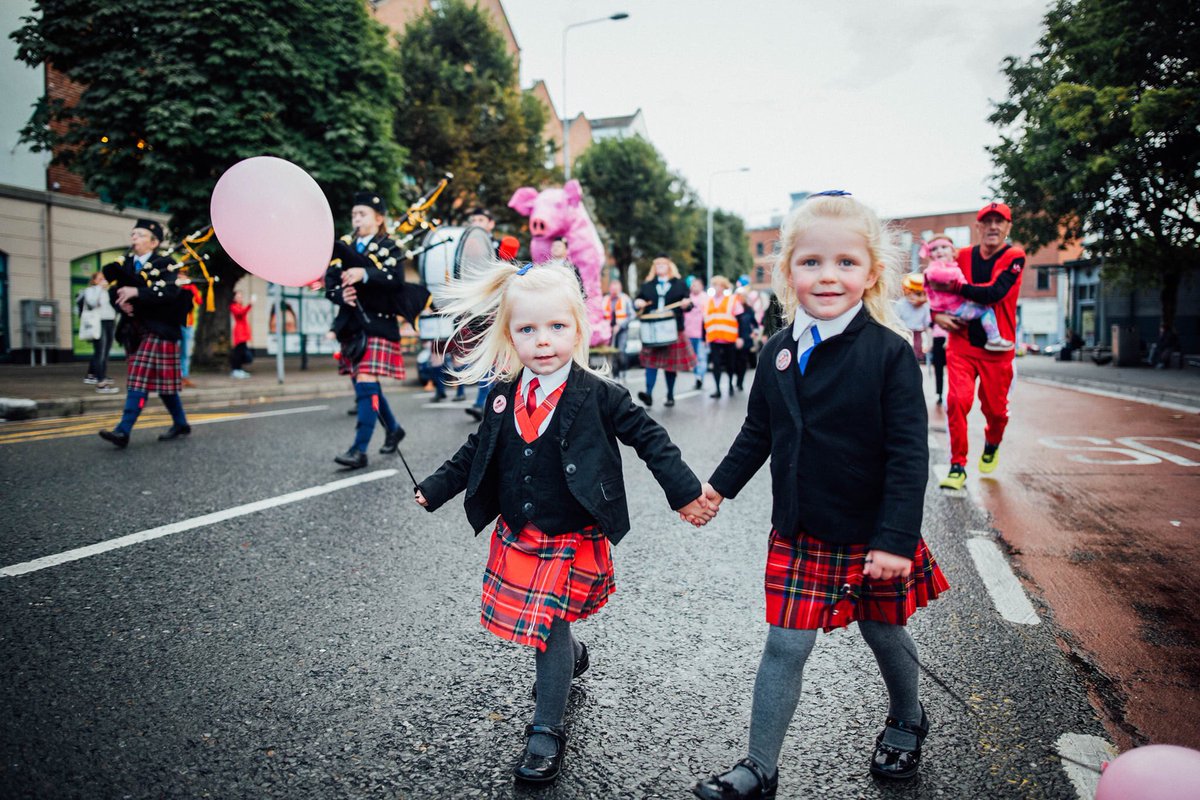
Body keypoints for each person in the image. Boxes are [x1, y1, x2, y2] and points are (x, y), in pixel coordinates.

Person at [413, 258, 714, 784]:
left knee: (548, 626)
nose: (543, 340)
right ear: (509, 335)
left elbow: (652, 441)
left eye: (557, 327)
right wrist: (435, 487)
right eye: (527, 329)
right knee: (552, 631)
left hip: (572, 530)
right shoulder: (504, 394)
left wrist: (686, 494)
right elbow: (475, 451)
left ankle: (546, 729)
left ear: (579, 328)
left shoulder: (601, 393)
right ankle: (571, 655)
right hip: (521, 530)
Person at [691, 192, 949, 799]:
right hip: (800, 528)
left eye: (845, 264)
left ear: (872, 273)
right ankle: (758, 767)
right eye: (811, 263)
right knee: (785, 643)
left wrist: (895, 540)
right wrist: (717, 489)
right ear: (787, 272)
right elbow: (759, 431)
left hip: (872, 532)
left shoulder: (890, 355)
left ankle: (908, 719)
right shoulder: (775, 350)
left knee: (884, 632)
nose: (828, 276)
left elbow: (910, 458)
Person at [932, 202, 1025, 490]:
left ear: (1008, 227)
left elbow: (995, 294)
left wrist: (956, 289)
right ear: (978, 227)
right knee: (956, 402)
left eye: (1000, 221)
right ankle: (957, 465)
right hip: (961, 344)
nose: (993, 227)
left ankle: (992, 442)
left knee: (996, 411)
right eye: (988, 221)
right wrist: (937, 315)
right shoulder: (960, 256)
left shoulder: (1015, 256)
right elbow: (934, 285)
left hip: (998, 350)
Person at [326, 191, 420, 469]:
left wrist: (364, 274)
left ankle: (359, 449)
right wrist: (340, 295)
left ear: (378, 219)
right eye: (354, 214)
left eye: (362, 214)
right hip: (352, 326)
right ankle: (393, 428)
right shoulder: (343, 246)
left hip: (379, 323)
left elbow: (396, 281)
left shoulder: (390, 246)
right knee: (366, 385)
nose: (356, 219)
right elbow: (329, 282)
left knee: (366, 380)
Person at [97, 219, 193, 448]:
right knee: (164, 386)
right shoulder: (126, 264)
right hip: (134, 330)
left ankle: (123, 431)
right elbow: (115, 291)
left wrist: (137, 292)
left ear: (154, 242)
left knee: (138, 378)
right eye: (133, 234)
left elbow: (170, 294)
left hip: (160, 329)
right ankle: (181, 423)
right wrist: (122, 303)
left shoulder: (166, 263)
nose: (134, 238)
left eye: (140, 235)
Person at [462, 207, 519, 421]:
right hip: (477, 308)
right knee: (488, 357)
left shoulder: (498, 247)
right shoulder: (465, 249)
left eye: (481, 219)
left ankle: (484, 402)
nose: (476, 222)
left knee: (495, 356)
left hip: (496, 308)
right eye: (473, 219)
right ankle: (494, 402)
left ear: (490, 224)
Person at [633, 255, 697, 407]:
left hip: (672, 329)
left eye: (663, 263)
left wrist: (686, 304)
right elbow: (638, 301)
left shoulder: (680, 284)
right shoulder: (647, 285)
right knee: (650, 363)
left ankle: (670, 395)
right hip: (652, 329)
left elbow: (688, 304)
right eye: (657, 264)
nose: (660, 266)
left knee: (670, 365)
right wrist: (638, 302)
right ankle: (648, 394)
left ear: (669, 266)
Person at [924, 259, 1014, 352]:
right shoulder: (938, 269)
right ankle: (994, 338)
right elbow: (938, 277)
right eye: (935, 249)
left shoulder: (939, 267)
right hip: (954, 308)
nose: (940, 251)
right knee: (986, 310)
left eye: (944, 247)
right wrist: (957, 278)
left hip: (950, 308)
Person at [78, 271, 118, 394]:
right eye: (100, 279)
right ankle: (100, 383)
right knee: (100, 352)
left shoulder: (108, 291)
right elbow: (92, 303)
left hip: (109, 322)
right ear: (94, 281)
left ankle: (101, 376)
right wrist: (100, 289)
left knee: (105, 353)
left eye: (104, 279)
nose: (103, 281)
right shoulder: (91, 290)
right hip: (98, 322)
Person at [703, 275, 743, 398]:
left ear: (724, 287)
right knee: (716, 364)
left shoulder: (732, 300)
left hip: (729, 338)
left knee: (730, 364)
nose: (716, 287)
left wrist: (739, 337)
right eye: (714, 285)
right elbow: (704, 321)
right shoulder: (708, 302)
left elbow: (741, 319)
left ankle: (730, 384)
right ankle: (717, 389)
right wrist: (704, 337)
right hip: (714, 338)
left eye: (719, 285)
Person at [894, 272, 932, 362]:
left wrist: (929, 341)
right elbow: (895, 319)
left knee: (917, 356)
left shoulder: (925, 306)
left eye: (923, 294)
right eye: (917, 294)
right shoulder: (901, 304)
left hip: (918, 334)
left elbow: (927, 324)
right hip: (905, 333)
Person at [602, 278, 633, 380]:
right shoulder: (605, 299)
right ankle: (615, 375)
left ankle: (624, 370)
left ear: (620, 288)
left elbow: (631, 315)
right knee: (612, 353)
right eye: (612, 288)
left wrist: (620, 325)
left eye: (616, 288)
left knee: (621, 351)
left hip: (622, 329)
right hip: (609, 330)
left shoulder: (625, 299)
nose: (614, 290)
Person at [733, 288, 761, 391]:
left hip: (746, 338)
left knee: (743, 361)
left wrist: (755, 332)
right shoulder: (732, 308)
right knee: (733, 361)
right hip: (733, 338)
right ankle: (734, 377)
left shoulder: (749, 309)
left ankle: (740, 382)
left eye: (742, 296)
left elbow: (754, 324)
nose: (740, 298)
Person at [683, 276, 708, 390]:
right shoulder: (687, 299)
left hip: (701, 334)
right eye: (692, 285)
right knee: (692, 358)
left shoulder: (706, 298)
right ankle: (697, 375)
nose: (694, 287)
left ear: (702, 286)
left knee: (701, 357)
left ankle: (699, 377)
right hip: (688, 333)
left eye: (696, 285)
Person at [178, 275, 202, 388]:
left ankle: (184, 377)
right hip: (175, 324)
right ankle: (175, 376)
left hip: (188, 324)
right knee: (175, 352)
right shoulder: (173, 287)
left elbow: (199, 300)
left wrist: (191, 287)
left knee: (186, 353)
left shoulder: (191, 287)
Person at [229, 290, 253, 379]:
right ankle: (235, 370)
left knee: (242, 352)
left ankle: (238, 369)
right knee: (238, 352)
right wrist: (249, 305)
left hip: (243, 332)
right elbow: (240, 313)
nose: (240, 298)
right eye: (238, 297)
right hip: (239, 333)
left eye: (241, 297)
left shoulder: (240, 306)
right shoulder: (234, 306)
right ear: (234, 298)